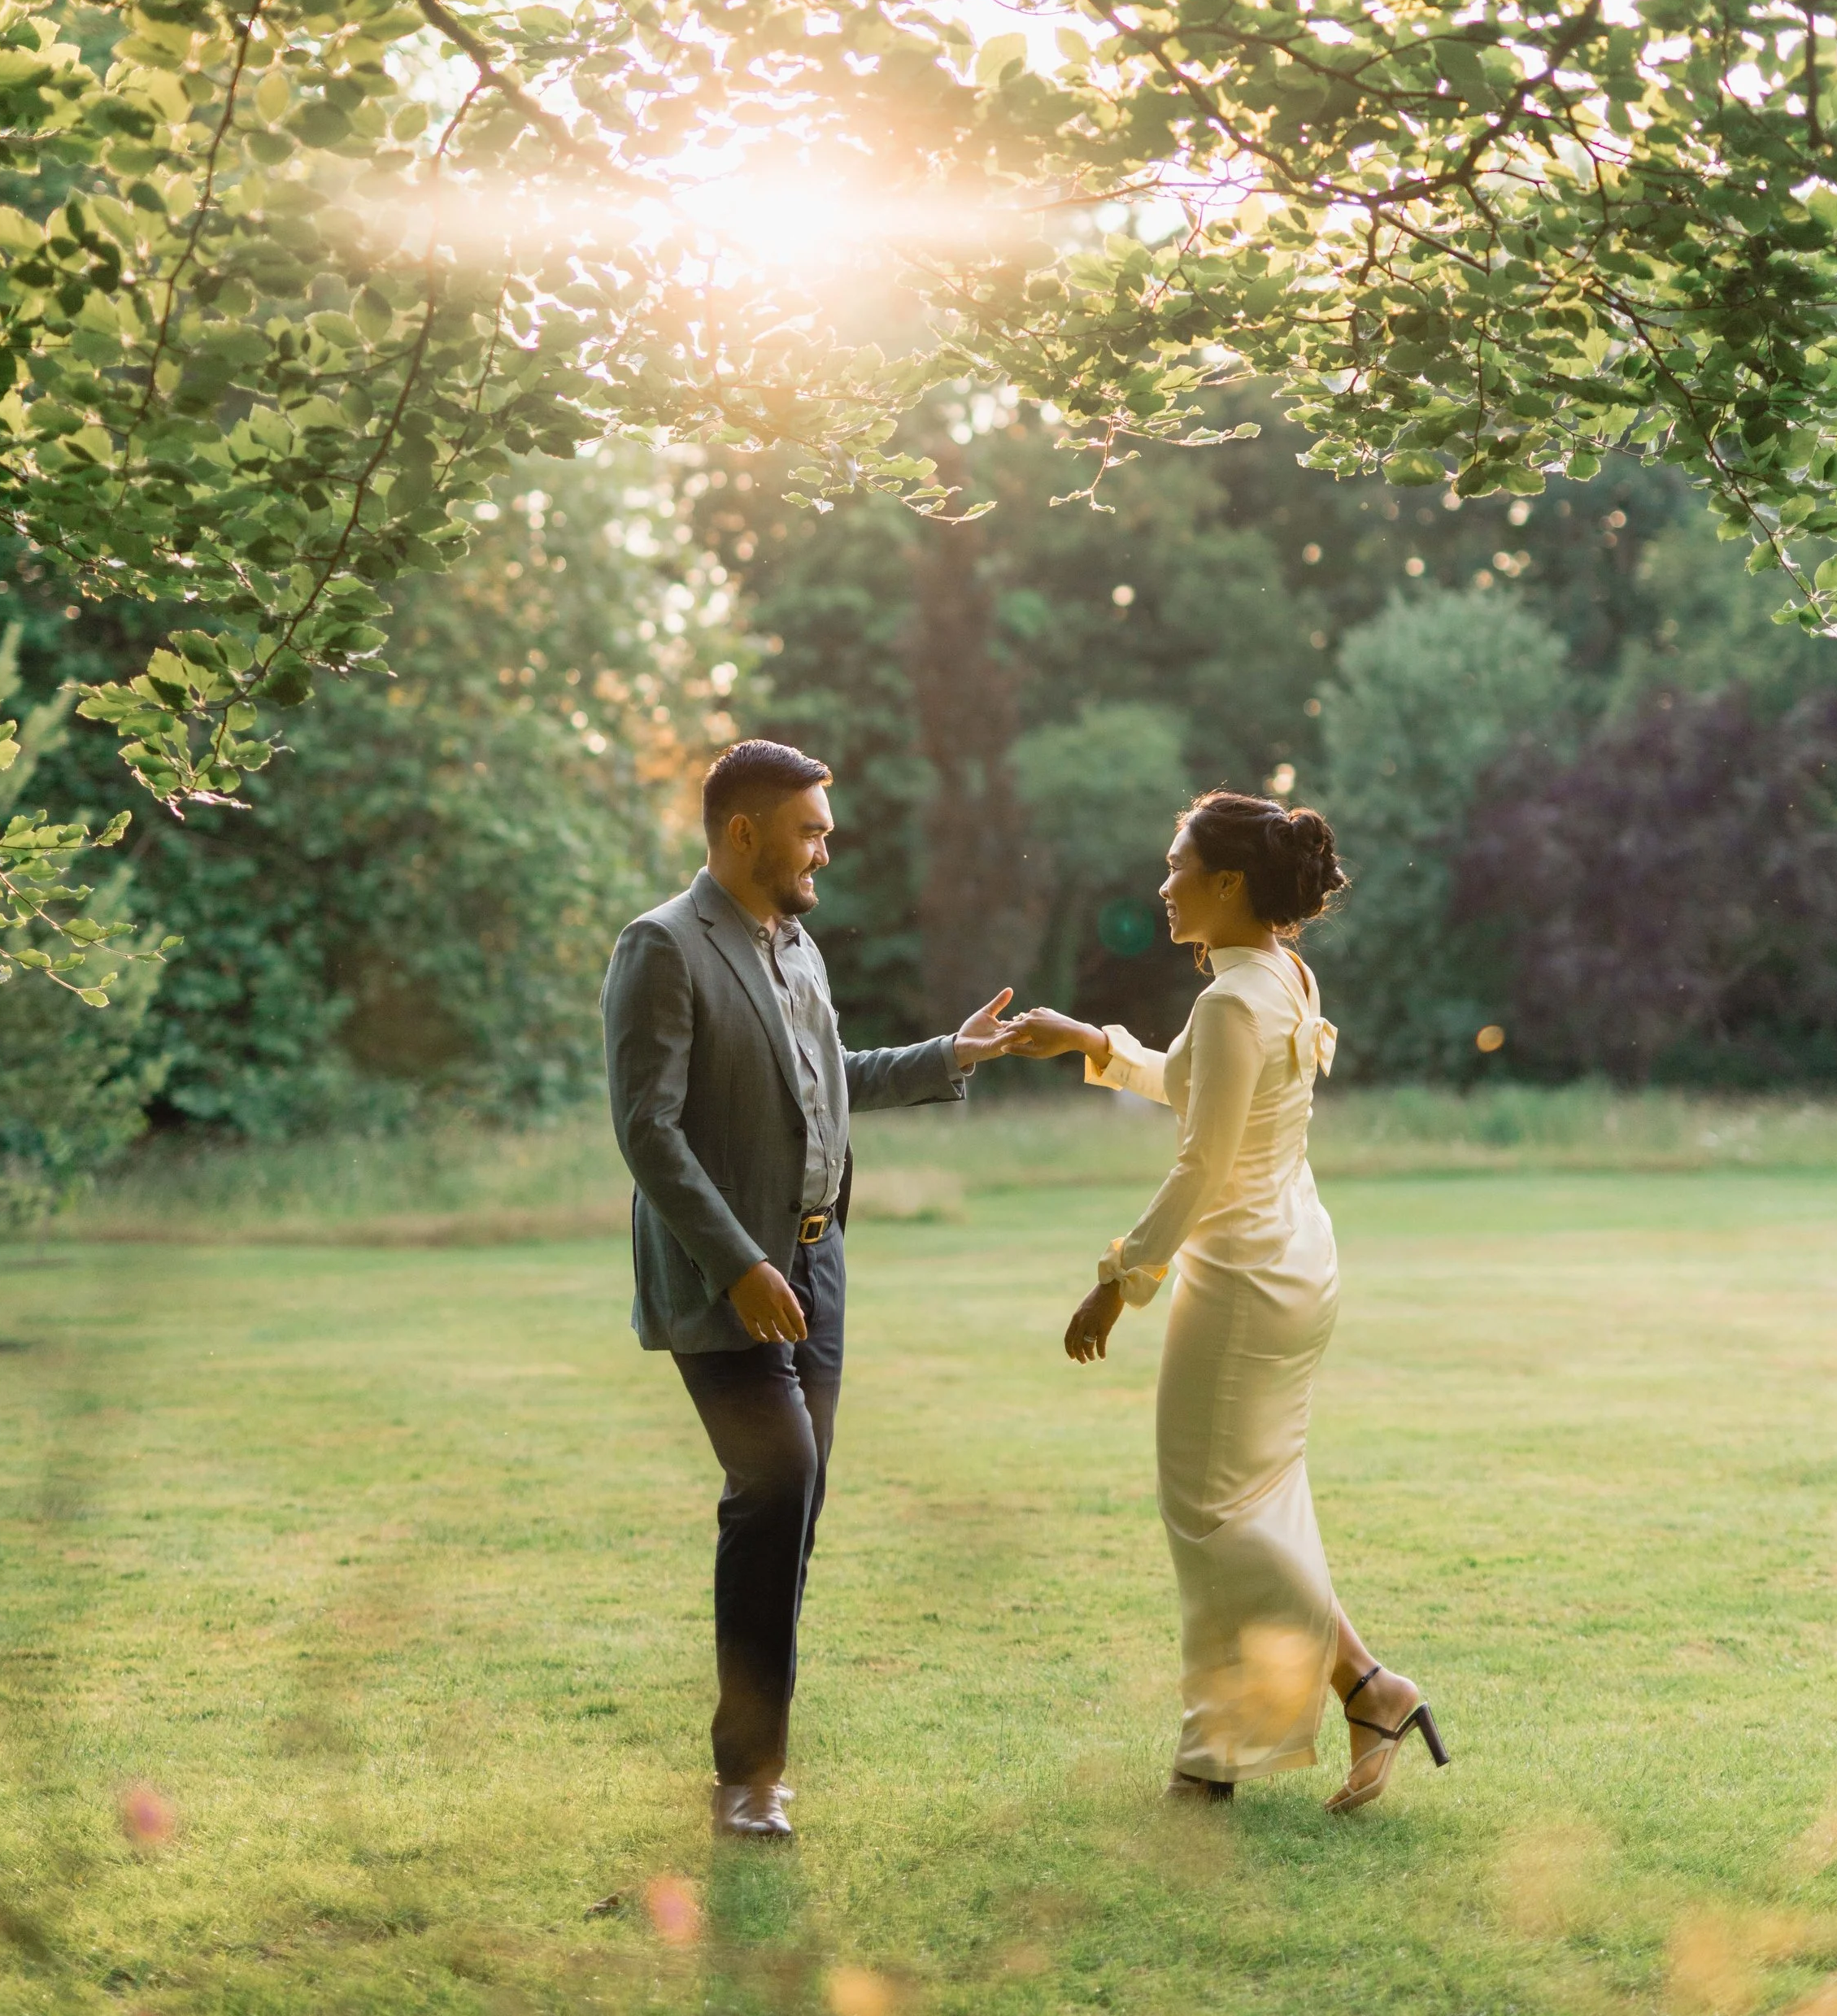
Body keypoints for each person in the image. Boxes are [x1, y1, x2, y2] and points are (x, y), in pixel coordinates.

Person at [603, 738, 1021, 1840]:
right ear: (742, 833)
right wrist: (739, 1262)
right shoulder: (661, 948)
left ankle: (757, 1748)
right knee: (776, 1481)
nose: (825, 848)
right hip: (726, 1272)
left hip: (817, 1261)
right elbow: (647, 1130)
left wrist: (951, 1056)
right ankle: (749, 1777)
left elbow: (826, 1084)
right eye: (810, 830)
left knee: (797, 1504)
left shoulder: (796, 948)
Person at [1005, 790, 1448, 1813]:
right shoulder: (1277, 976)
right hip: (1294, 1263)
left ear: (1229, 882)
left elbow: (1201, 1162)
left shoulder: (1234, 997)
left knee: (1211, 1514)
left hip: (1245, 1276)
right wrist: (1092, 1041)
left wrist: (1118, 1281)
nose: (1162, 885)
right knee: (1252, 1502)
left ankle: (1214, 1763)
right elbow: (1204, 1093)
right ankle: (1369, 1690)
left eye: (1175, 866)